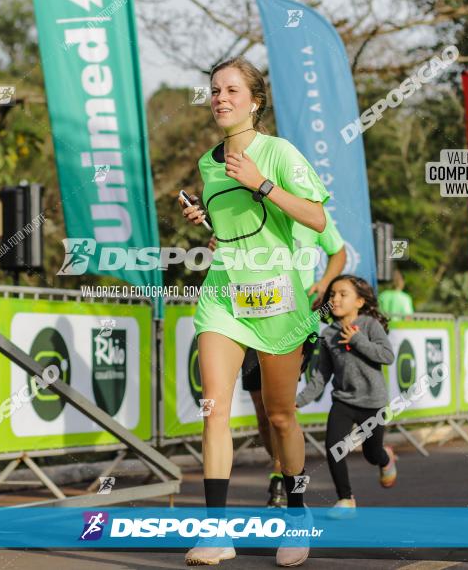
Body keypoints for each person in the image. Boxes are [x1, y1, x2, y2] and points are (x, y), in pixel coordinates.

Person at [179, 56, 330, 567]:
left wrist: (262, 183)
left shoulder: (279, 152)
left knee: (281, 416)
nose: (220, 98)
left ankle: (298, 513)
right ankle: (216, 531)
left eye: (231, 90)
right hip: (224, 294)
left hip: (276, 296)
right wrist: (207, 220)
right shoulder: (207, 163)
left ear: (255, 101)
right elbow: (232, 234)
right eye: (215, 90)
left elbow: (316, 215)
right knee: (214, 410)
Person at [228, 209, 346, 508]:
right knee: (263, 411)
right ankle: (279, 465)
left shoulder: (310, 211)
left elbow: (338, 251)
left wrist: (324, 284)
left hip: (294, 320)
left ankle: (283, 478)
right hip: (251, 314)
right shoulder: (252, 209)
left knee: (281, 411)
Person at [294, 275, 397, 515]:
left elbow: (387, 356)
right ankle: (345, 499)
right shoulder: (329, 333)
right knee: (333, 447)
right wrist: (298, 401)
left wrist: (357, 339)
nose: (336, 299)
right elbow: (321, 375)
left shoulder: (370, 325)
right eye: (332, 294)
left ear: (360, 301)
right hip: (343, 401)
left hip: (373, 403)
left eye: (343, 294)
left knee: (372, 454)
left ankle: (385, 458)